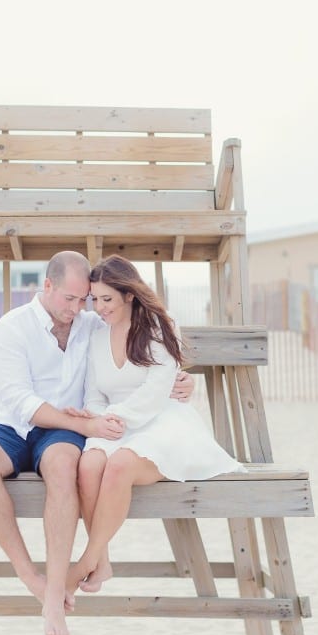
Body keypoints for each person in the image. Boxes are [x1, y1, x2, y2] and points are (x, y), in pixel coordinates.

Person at [0, 251, 194, 635]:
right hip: (15, 424)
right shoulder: (11, 327)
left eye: (83, 299)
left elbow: (137, 356)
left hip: (64, 434)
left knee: (64, 465)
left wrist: (181, 380)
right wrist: (83, 420)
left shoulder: (90, 324)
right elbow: (20, 402)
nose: (77, 308)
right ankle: (31, 577)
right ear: (47, 286)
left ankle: (57, 587)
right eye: (69, 298)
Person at [65, 255, 243, 598]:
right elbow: (93, 392)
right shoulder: (97, 336)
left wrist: (119, 419)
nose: (100, 308)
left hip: (161, 421)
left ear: (129, 295)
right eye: (95, 300)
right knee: (88, 466)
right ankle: (101, 560)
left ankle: (85, 559)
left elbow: (157, 389)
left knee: (118, 466)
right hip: (112, 423)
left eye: (107, 299)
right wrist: (101, 420)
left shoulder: (160, 327)